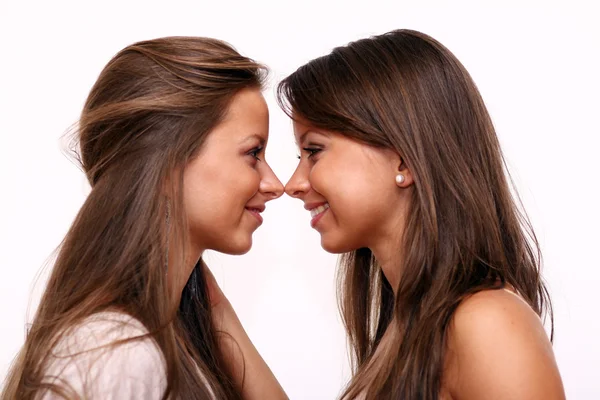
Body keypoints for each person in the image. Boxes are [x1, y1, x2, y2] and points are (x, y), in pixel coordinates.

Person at [279, 29, 565, 400]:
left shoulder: (485, 323)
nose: (294, 183)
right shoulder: (407, 325)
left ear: (403, 159)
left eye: (314, 151)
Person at [2, 36, 287, 400]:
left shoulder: (162, 341)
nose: (274, 184)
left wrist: (217, 312)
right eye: (253, 153)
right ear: (169, 164)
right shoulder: (114, 353)